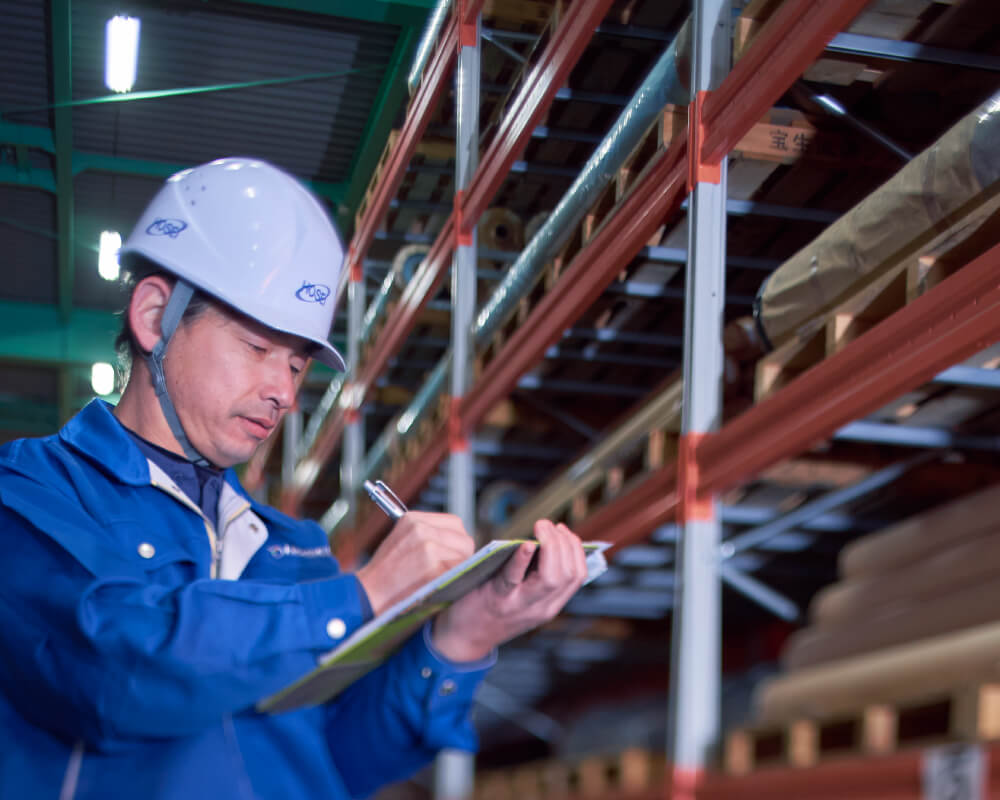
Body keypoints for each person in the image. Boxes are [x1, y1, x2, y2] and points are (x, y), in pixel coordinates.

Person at [0, 158, 588, 799]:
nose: (282, 391)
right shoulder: (31, 493)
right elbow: (111, 672)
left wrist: (466, 635)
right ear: (154, 316)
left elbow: (337, 757)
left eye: (298, 365)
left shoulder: (294, 549)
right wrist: (362, 596)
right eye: (257, 348)